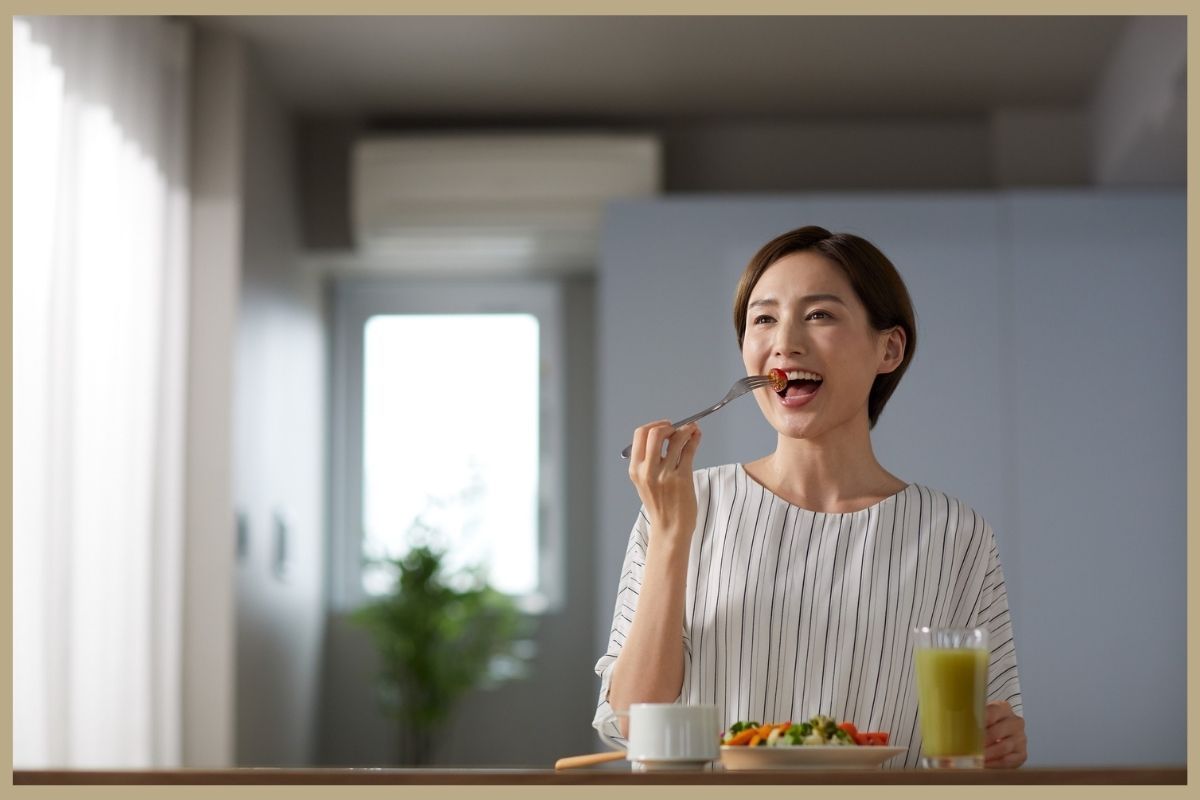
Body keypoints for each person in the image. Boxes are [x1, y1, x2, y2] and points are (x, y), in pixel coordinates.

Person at [593, 225, 1027, 769]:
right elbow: (632, 723)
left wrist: (1000, 741)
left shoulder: (955, 534)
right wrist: (672, 533)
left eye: (819, 314)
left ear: (889, 348)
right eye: (764, 318)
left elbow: (982, 732)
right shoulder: (682, 504)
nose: (785, 342)